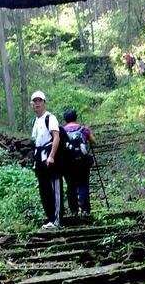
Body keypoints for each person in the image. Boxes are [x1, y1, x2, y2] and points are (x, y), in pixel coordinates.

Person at [31, 90, 63, 230]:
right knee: (44, 190)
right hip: (40, 159)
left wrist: (51, 156)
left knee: (54, 188)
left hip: (50, 158)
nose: (37, 103)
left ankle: (57, 220)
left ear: (44, 102)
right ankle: (50, 218)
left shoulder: (50, 118)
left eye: (39, 101)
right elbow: (37, 142)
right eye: (35, 101)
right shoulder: (36, 120)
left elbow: (56, 137)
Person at [62, 108, 96, 217]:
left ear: (65, 119)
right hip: (82, 162)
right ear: (76, 117)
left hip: (67, 163)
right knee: (83, 184)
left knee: (70, 186)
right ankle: (85, 210)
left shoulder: (61, 131)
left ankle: (74, 211)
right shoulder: (83, 129)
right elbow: (93, 141)